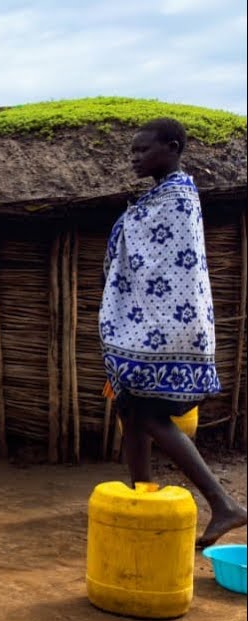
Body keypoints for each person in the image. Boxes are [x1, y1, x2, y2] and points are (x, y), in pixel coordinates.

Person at [100, 118, 247, 547]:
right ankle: (140, 495)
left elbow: (164, 264)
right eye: (133, 151)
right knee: (128, 407)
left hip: (167, 326)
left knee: (148, 414)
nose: (135, 157)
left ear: (173, 146)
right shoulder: (158, 197)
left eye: (143, 150)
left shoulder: (179, 197)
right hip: (154, 322)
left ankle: (223, 504)